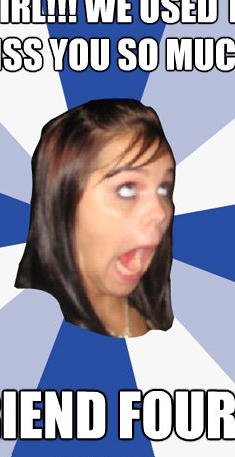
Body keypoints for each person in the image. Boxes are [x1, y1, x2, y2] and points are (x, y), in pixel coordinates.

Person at [15, 98, 175, 338]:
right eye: (126, 189)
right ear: (62, 200)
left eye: (164, 188)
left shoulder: (158, 314)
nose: (161, 213)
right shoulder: (30, 334)